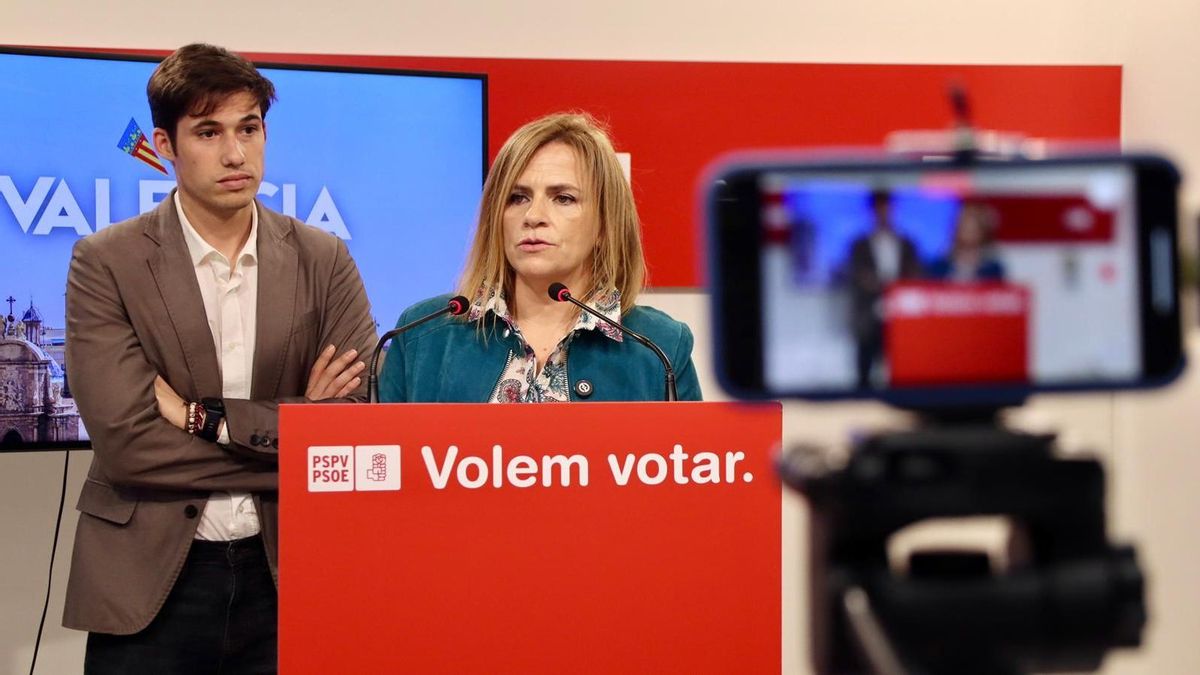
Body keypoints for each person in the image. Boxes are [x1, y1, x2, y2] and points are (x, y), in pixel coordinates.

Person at [63, 43, 377, 674]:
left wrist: (200, 419)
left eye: (249, 128)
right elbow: (127, 446)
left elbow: (352, 429)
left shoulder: (324, 258)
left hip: (289, 573)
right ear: (166, 145)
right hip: (149, 583)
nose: (236, 154)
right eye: (209, 132)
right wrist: (297, 433)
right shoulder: (106, 262)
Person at [379, 113, 701, 403]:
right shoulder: (420, 337)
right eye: (517, 198)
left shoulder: (660, 347)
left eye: (563, 198)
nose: (533, 216)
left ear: (605, 223)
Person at [846, 189, 923, 388]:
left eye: (887, 207)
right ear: (872, 211)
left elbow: (915, 274)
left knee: (904, 369)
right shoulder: (859, 245)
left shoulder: (907, 243)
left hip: (902, 314)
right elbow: (858, 275)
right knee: (865, 371)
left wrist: (896, 291)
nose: (883, 212)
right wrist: (883, 287)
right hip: (869, 315)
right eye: (879, 208)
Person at [928, 201, 1007, 281]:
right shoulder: (939, 267)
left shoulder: (992, 270)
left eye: (974, 223)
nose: (968, 228)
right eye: (964, 222)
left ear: (983, 230)